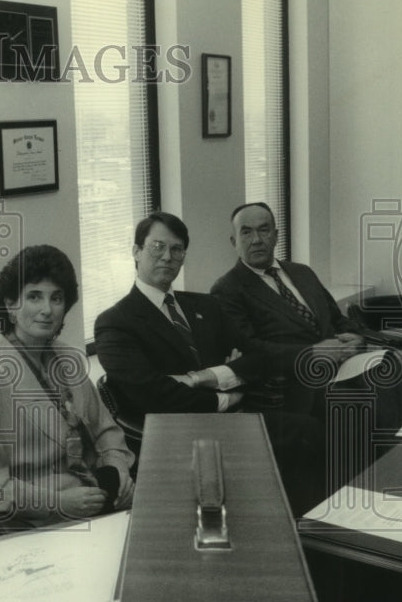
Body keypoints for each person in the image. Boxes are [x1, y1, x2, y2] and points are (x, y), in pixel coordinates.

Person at [93, 212, 325, 514]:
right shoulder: (114, 322)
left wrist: (206, 376)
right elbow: (153, 395)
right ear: (136, 252)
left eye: (177, 250)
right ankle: (297, 533)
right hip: (179, 434)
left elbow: (259, 357)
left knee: (313, 424)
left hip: (232, 419)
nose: (167, 257)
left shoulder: (205, 305)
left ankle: (308, 534)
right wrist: (227, 396)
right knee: (302, 434)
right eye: (157, 247)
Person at [0, 245, 135, 537]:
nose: (47, 310)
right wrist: (57, 502)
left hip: (96, 496)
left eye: (56, 298)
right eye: (34, 296)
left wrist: (118, 469)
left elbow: (106, 432)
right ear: (10, 305)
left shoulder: (69, 359)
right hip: (35, 521)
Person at [210, 202, 402, 432]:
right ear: (234, 242)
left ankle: (393, 462)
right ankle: (376, 464)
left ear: (275, 236)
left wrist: (357, 337)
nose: (256, 239)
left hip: (346, 366)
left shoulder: (302, 272)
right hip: (297, 384)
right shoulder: (227, 289)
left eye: (264, 230)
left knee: (399, 377)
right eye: (246, 232)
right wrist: (313, 353)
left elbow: (337, 319)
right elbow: (251, 350)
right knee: (363, 404)